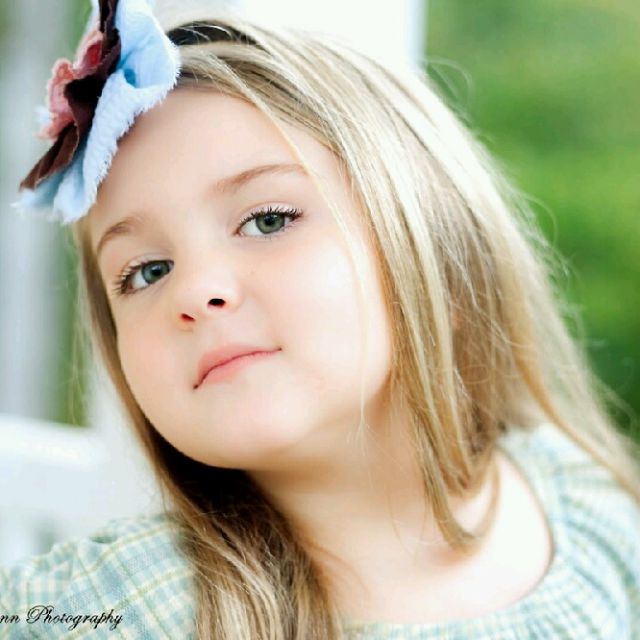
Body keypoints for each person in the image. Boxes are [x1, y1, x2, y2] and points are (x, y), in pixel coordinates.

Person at [3, 1, 639, 638]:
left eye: (267, 220)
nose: (194, 292)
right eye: (147, 271)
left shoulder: (591, 512)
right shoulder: (114, 607)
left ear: (440, 256)